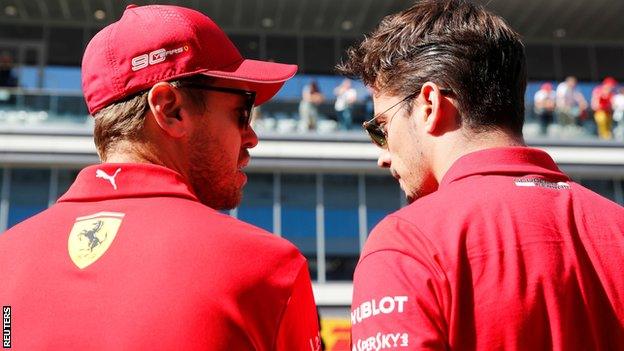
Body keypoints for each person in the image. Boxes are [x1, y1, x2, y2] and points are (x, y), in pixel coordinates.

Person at [0, 4, 321, 350]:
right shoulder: (269, 267)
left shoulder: (6, 261)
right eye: (242, 112)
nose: (252, 136)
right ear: (171, 109)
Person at [338, 0, 624, 349]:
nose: (382, 155)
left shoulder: (409, 241)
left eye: (380, 128)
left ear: (429, 105)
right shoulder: (616, 225)